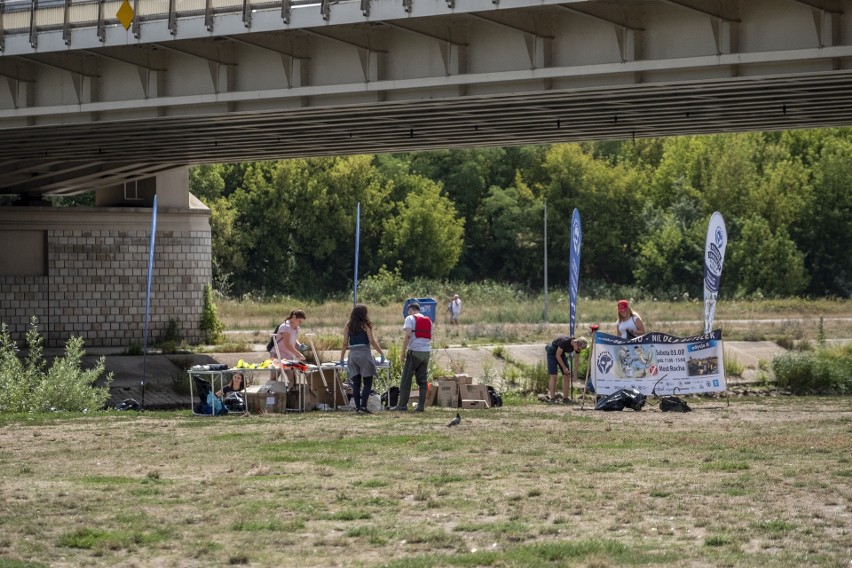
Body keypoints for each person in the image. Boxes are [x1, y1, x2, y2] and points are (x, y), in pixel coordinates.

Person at [339, 304, 385, 414]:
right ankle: (364, 407)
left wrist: (341, 357)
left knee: (356, 383)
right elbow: (372, 341)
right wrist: (381, 353)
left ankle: (357, 407)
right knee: (367, 382)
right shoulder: (365, 325)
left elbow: (345, 343)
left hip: (353, 355)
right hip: (364, 354)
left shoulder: (348, 325)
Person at [390, 301, 431, 412]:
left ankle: (402, 406)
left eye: (409, 311)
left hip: (414, 352)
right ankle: (421, 406)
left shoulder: (410, 318)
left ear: (411, 310)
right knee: (422, 381)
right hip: (426, 353)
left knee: (406, 379)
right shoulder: (428, 320)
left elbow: (408, 335)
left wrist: (403, 352)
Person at [545, 335, 589, 402]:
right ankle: (552, 398)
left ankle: (565, 398)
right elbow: (557, 355)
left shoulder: (577, 347)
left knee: (567, 374)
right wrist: (564, 367)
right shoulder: (564, 341)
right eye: (579, 349)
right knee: (554, 375)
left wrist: (575, 374)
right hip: (552, 353)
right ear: (576, 343)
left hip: (561, 354)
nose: (579, 350)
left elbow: (576, 360)